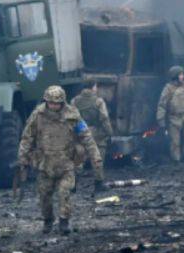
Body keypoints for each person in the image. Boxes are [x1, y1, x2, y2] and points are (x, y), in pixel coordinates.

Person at [18, 85, 104, 234]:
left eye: (57, 103)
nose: (54, 106)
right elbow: (27, 138)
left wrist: (95, 157)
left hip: (66, 163)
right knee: (44, 196)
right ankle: (48, 220)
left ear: (62, 103)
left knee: (64, 193)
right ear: (46, 101)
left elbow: (86, 137)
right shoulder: (37, 115)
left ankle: (64, 222)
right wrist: (23, 159)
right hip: (45, 164)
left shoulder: (72, 116)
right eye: (51, 103)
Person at [70, 78, 113, 164]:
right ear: (93, 87)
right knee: (99, 153)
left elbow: (71, 118)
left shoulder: (74, 101)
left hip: (80, 130)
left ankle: (78, 173)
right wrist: (109, 133)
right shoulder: (98, 101)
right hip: (95, 132)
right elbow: (104, 119)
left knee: (80, 152)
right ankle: (99, 175)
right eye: (96, 86)